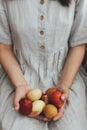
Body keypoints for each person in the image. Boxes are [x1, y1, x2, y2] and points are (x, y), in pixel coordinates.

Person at [0, 0, 87, 130]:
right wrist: (20, 84)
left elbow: (78, 44)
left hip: (67, 74)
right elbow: (3, 46)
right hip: (17, 74)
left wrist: (64, 85)